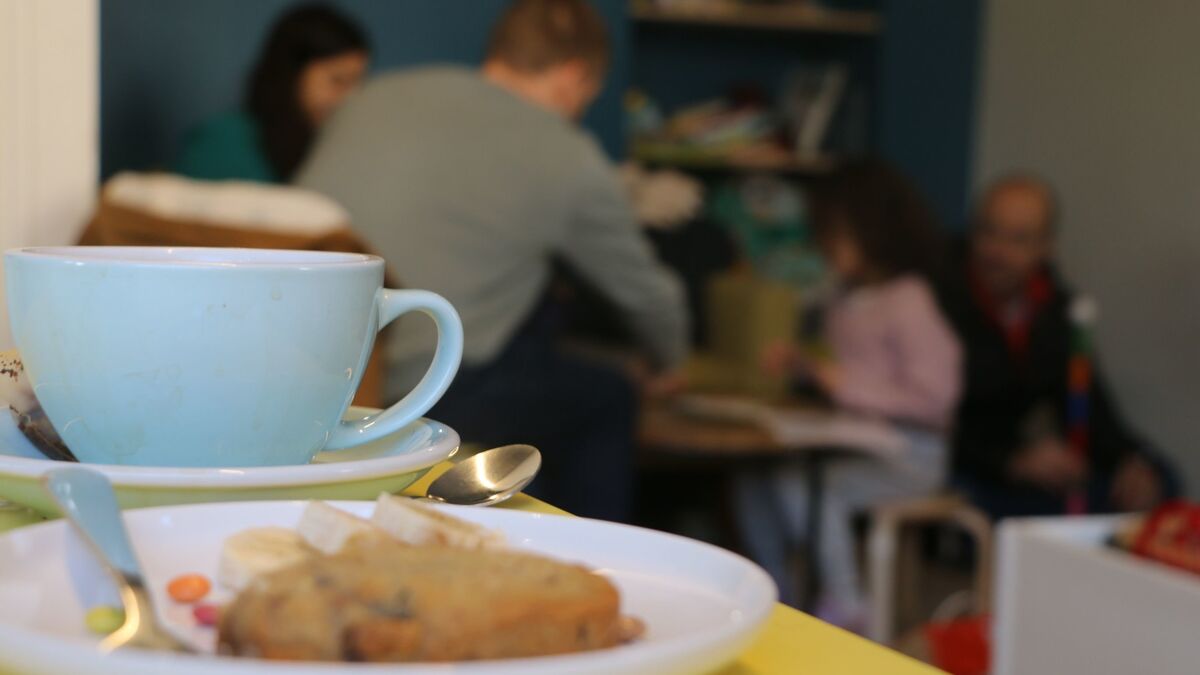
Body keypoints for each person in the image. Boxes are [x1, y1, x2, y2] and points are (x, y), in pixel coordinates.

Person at [296, 0, 688, 522]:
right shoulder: (568, 156)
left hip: (308, 366)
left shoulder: (373, 97)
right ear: (574, 77)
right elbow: (647, 295)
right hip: (415, 385)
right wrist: (669, 362)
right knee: (609, 396)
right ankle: (592, 558)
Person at [734, 159, 962, 626]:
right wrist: (802, 363)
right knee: (752, 479)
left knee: (802, 485)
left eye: (833, 234)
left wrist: (846, 385)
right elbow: (845, 370)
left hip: (910, 454)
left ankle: (847, 601)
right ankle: (777, 592)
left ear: (871, 230)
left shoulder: (908, 299)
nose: (824, 246)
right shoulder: (842, 298)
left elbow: (936, 398)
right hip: (858, 442)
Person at [940, 174, 1178, 520]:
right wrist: (1012, 461)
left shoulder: (1057, 312)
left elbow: (1090, 407)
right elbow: (928, 421)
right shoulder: (939, 299)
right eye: (988, 231)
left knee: (1160, 479)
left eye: (1018, 238)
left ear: (1046, 246)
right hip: (963, 466)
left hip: (1019, 466)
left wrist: (1131, 461)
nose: (997, 251)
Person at [174, 3, 369, 183]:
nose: (350, 97)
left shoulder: (339, 149)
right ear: (291, 74)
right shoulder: (223, 143)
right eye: (338, 80)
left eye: (358, 83)